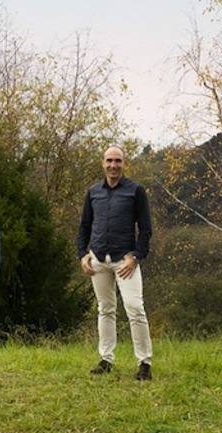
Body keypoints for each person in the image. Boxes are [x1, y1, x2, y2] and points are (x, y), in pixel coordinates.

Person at [77, 146, 154, 380]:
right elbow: (84, 226)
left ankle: (144, 363)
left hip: (125, 261)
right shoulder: (93, 192)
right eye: (109, 160)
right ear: (103, 163)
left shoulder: (135, 191)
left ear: (124, 163)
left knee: (135, 308)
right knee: (105, 309)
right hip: (98, 259)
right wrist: (82, 254)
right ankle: (106, 359)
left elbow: (146, 229)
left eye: (118, 161)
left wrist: (136, 256)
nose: (113, 165)